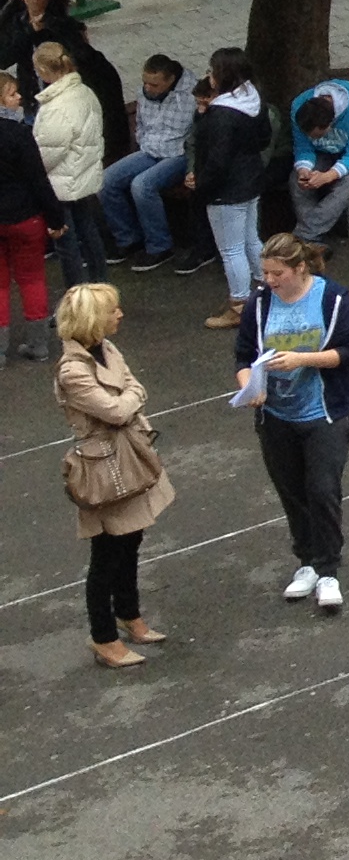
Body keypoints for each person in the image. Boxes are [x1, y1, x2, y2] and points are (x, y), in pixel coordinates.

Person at [238, 232, 349, 613]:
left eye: (277, 274)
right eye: (265, 274)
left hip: (323, 413)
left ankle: (328, 570)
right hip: (276, 416)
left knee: (323, 490)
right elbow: (243, 357)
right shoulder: (258, 305)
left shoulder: (334, 300)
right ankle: (307, 561)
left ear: (300, 268)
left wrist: (300, 360)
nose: (269, 281)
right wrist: (249, 388)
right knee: (292, 491)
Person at [58, 282, 175, 669]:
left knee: (132, 541)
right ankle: (103, 637)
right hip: (104, 468)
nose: (120, 314)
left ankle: (130, 613)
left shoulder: (106, 349)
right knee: (106, 554)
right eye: (113, 310)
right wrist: (131, 399)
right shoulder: (74, 371)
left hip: (127, 455)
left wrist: (129, 399)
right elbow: (116, 409)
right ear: (94, 319)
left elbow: (130, 390)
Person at [186, 49, 274, 330]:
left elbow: (215, 157)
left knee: (231, 249)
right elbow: (263, 139)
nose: (209, 76)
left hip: (226, 189)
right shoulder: (254, 98)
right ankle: (268, 290)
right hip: (250, 179)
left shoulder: (221, 115)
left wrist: (201, 185)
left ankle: (239, 306)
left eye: (212, 71)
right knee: (251, 239)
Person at [100, 54, 197, 273]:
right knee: (106, 181)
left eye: (154, 84)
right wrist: (143, 140)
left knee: (142, 185)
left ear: (171, 79)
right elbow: (142, 124)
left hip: (177, 154)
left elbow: (193, 135)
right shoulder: (144, 93)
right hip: (149, 149)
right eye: (145, 82)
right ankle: (127, 239)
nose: (148, 88)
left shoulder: (190, 96)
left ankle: (160, 245)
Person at [33, 43, 108, 286]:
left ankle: (74, 296)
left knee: (66, 243)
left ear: (44, 70)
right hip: (84, 174)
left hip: (61, 181)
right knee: (89, 232)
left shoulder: (56, 106)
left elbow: (48, 152)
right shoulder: (85, 91)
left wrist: (34, 177)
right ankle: (101, 286)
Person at [285, 75, 349, 243]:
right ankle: (312, 241)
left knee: (347, 182)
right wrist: (304, 170)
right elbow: (303, 147)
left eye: (316, 134)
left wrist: (328, 176)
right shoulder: (299, 105)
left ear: (331, 124)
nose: (312, 137)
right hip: (325, 150)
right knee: (296, 181)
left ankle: (303, 236)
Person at [0, 91, 59, 362]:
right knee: (32, 278)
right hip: (25, 217)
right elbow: (38, 180)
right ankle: (38, 345)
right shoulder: (19, 134)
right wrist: (56, 219)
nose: (20, 97)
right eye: (11, 93)